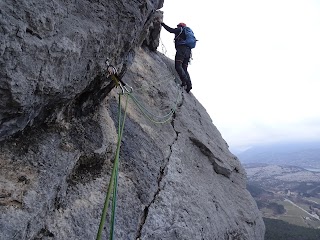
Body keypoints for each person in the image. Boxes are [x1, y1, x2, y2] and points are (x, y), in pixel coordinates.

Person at [161, 22, 192, 93]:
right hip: (188, 52)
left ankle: (184, 80)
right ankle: (189, 85)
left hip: (182, 50)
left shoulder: (180, 29)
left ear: (180, 26)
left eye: (177, 26)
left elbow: (171, 30)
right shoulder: (186, 34)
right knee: (184, 68)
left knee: (178, 66)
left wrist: (162, 24)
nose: (177, 27)